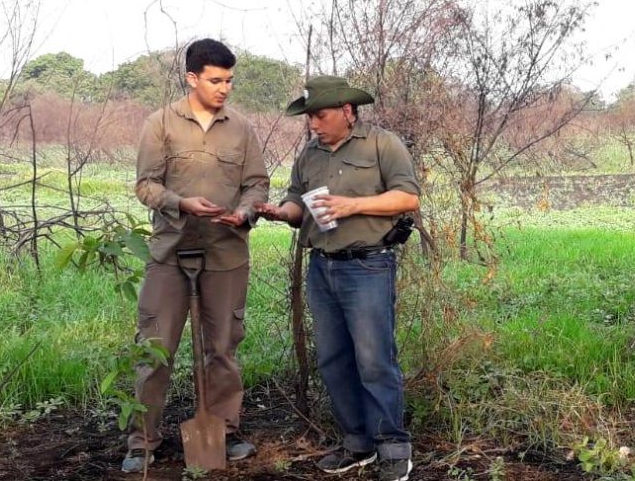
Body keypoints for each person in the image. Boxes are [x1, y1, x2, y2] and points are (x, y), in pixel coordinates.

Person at [255, 75, 420, 481]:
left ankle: (393, 447)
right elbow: (297, 202)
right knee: (333, 359)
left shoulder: (382, 143)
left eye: (321, 115)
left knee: (375, 359)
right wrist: (282, 212)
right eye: (310, 116)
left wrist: (352, 206)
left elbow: (408, 197)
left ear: (347, 111)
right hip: (322, 268)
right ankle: (357, 443)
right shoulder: (310, 154)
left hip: (367, 266)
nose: (313, 124)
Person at [123, 38, 269, 473]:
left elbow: (257, 184)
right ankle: (141, 441)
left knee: (223, 348)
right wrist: (182, 203)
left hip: (226, 253)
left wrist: (245, 211)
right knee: (155, 348)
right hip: (170, 252)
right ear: (192, 78)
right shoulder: (161, 123)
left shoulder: (242, 128)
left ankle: (223, 431)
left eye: (229, 81)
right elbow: (145, 185)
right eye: (215, 80)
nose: (224, 88)